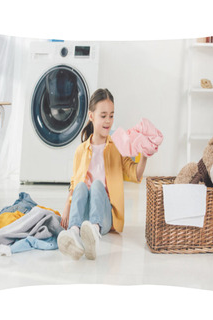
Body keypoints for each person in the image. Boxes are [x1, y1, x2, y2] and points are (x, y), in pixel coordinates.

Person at [57, 88, 148, 260]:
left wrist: (144, 156)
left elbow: (134, 174)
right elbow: (75, 182)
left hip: (105, 218)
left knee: (97, 185)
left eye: (111, 116)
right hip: (83, 214)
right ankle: (74, 233)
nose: (108, 121)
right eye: (103, 115)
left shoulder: (117, 147)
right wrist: (67, 206)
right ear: (91, 116)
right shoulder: (80, 150)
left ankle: (94, 232)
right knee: (82, 186)